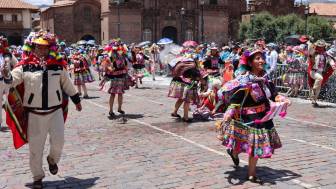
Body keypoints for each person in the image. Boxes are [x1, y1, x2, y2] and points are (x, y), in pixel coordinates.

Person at [2, 31, 82, 189]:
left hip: (55, 112)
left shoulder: (58, 66)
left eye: (45, 47)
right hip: (35, 114)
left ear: (50, 48)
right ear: (33, 47)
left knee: (59, 142)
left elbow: (67, 84)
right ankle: (37, 177)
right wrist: (7, 75)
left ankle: (52, 160)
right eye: (38, 47)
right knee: (35, 149)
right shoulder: (25, 66)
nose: (41, 50)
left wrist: (76, 100)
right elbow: (13, 80)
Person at [218, 49, 290, 183]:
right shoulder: (244, 80)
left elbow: (274, 94)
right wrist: (228, 114)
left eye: (262, 58)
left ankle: (251, 174)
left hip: (263, 117)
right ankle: (233, 153)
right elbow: (235, 101)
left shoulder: (265, 79)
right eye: (257, 58)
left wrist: (281, 99)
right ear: (250, 63)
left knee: (255, 147)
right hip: (248, 118)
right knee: (240, 145)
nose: (261, 60)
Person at [100, 41, 133, 117]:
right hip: (113, 77)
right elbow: (105, 65)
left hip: (121, 76)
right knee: (113, 94)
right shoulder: (109, 56)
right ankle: (111, 110)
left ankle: (119, 108)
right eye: (117, 48)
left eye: (119, 48)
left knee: (120, 93)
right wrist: (110, 68)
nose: (119, 50)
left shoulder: (122, 56)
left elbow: (127, 63)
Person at [308, 40, 335, 106]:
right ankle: (313, 89)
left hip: (320, 72)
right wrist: (312, 44)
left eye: (322, 46)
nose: (321, 47)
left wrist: (334, 67)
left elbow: (331, 60)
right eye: (320, 46)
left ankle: (314, 101)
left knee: (319, 88)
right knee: (320, 78)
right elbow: (310, 50)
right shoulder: (314, 52)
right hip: (313, 71)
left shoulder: (325, 54)